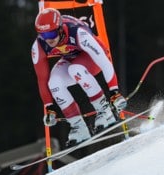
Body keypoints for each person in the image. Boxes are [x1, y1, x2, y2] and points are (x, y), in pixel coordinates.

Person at [31, 8, 127, 146]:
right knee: (54, 83)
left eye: (51, 33)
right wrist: (49, 108)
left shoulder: (78, 33)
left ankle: (104, 112)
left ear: (59, 29)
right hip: (71, 57)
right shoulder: (39, 45)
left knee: (75, 70)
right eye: (44, 35)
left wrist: (114, 92)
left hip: (93, 57)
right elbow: (42, 79)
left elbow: (104, 62)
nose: (49, 39)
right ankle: (78, 126)